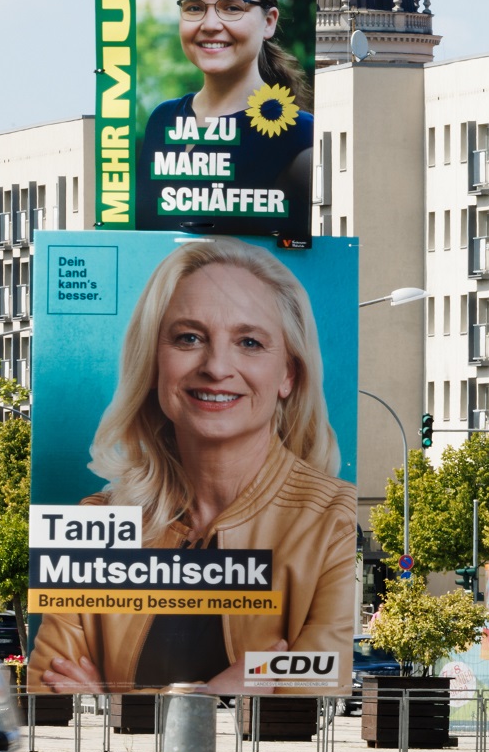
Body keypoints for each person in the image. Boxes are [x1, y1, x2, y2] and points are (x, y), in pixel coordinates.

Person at [31, 237, 355, 695]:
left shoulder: (332, 519)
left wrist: (110, 701)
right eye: (189, 338)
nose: (217, 366)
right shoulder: (94, 525)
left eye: (249, 342)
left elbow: (317, 691)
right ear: (154, 361)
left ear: (288, 375)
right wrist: (214, 694)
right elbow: (50, 697)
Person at [135, 0, 314, 238]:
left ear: (269, 22)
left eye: (232, 7)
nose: (210, 25)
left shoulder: (297, 134)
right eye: (194, 7)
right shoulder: (163, 118)